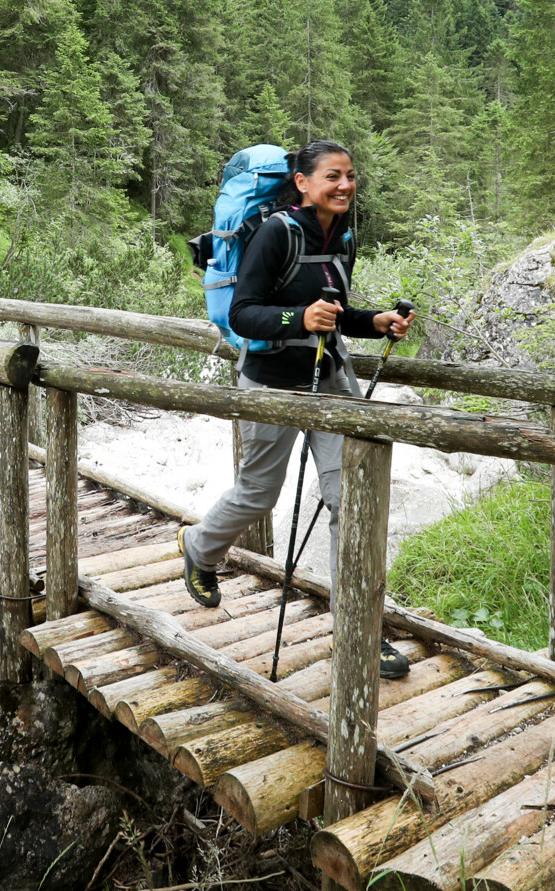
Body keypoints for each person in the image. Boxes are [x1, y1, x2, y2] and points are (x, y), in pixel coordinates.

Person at [176, 140, 416, 678]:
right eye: (333, 176)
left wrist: (373, 321)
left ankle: (358, 626)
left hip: (329, 381)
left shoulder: (343, 236)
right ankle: (199, 545)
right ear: (303, 183)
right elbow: (244, 314)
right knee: (259, 493)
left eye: (350, 176)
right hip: (269, 384)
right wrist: (296, 321)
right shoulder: (275, 232)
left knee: (348, 500)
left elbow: (333, 311)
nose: (345, 185)